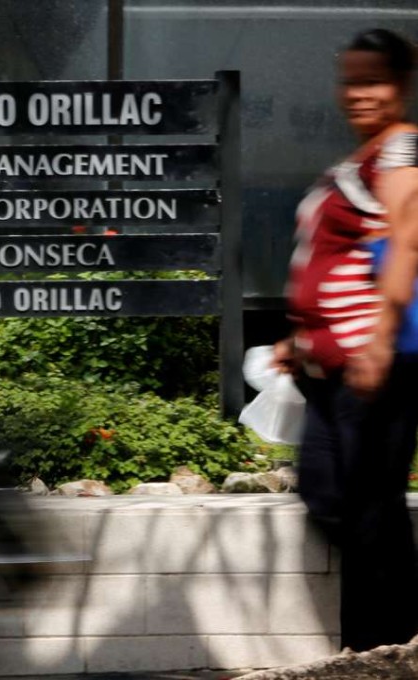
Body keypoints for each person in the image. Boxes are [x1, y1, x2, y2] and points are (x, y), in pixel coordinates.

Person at [273, 28, 418, 652]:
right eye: (349, 81)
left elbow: (406, 242)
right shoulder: (353, 162)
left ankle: (380, 646)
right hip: (326, 368)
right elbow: (329, 257)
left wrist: (381, 340)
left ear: (400, 86)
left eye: (372, 81)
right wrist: (297, 336)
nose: (357, 94)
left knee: (365, 506)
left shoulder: (401, 152)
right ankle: (388, 639)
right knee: (331, 494)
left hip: (371, 364)